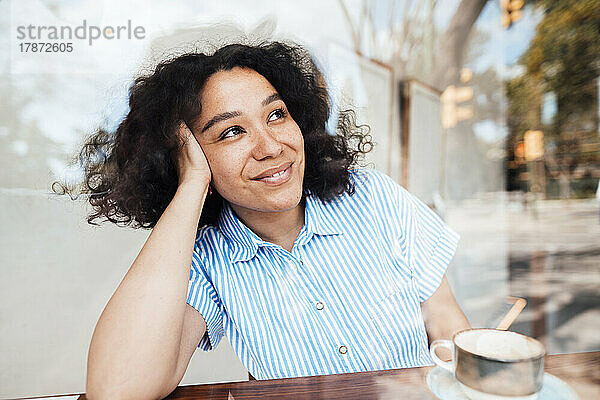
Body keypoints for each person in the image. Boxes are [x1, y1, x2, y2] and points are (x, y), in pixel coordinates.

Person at [63, 41, 469, 399]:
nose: (271, 146)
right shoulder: (207, 260)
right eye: (231, 132)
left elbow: (447, 325)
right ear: (192, 156)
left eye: (276, 115)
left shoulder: (373, 197)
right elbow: (116, 390)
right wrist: (191, 185)